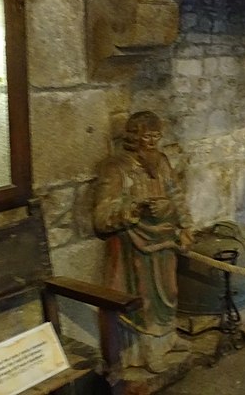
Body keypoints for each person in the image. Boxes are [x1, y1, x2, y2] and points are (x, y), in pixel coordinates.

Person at [93, 111, 194, 373]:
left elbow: (175, 193)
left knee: (169, 292)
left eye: (156, 136)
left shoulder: (161, 161)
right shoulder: (115, 167)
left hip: (164, 238)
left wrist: (185, 225)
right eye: (147, 136)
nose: (152, 142)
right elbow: (102, 215)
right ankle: (147, 349)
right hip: (134, 244)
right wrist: (134, 209)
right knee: (145, 299)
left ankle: (168, 338)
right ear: (133, 135)